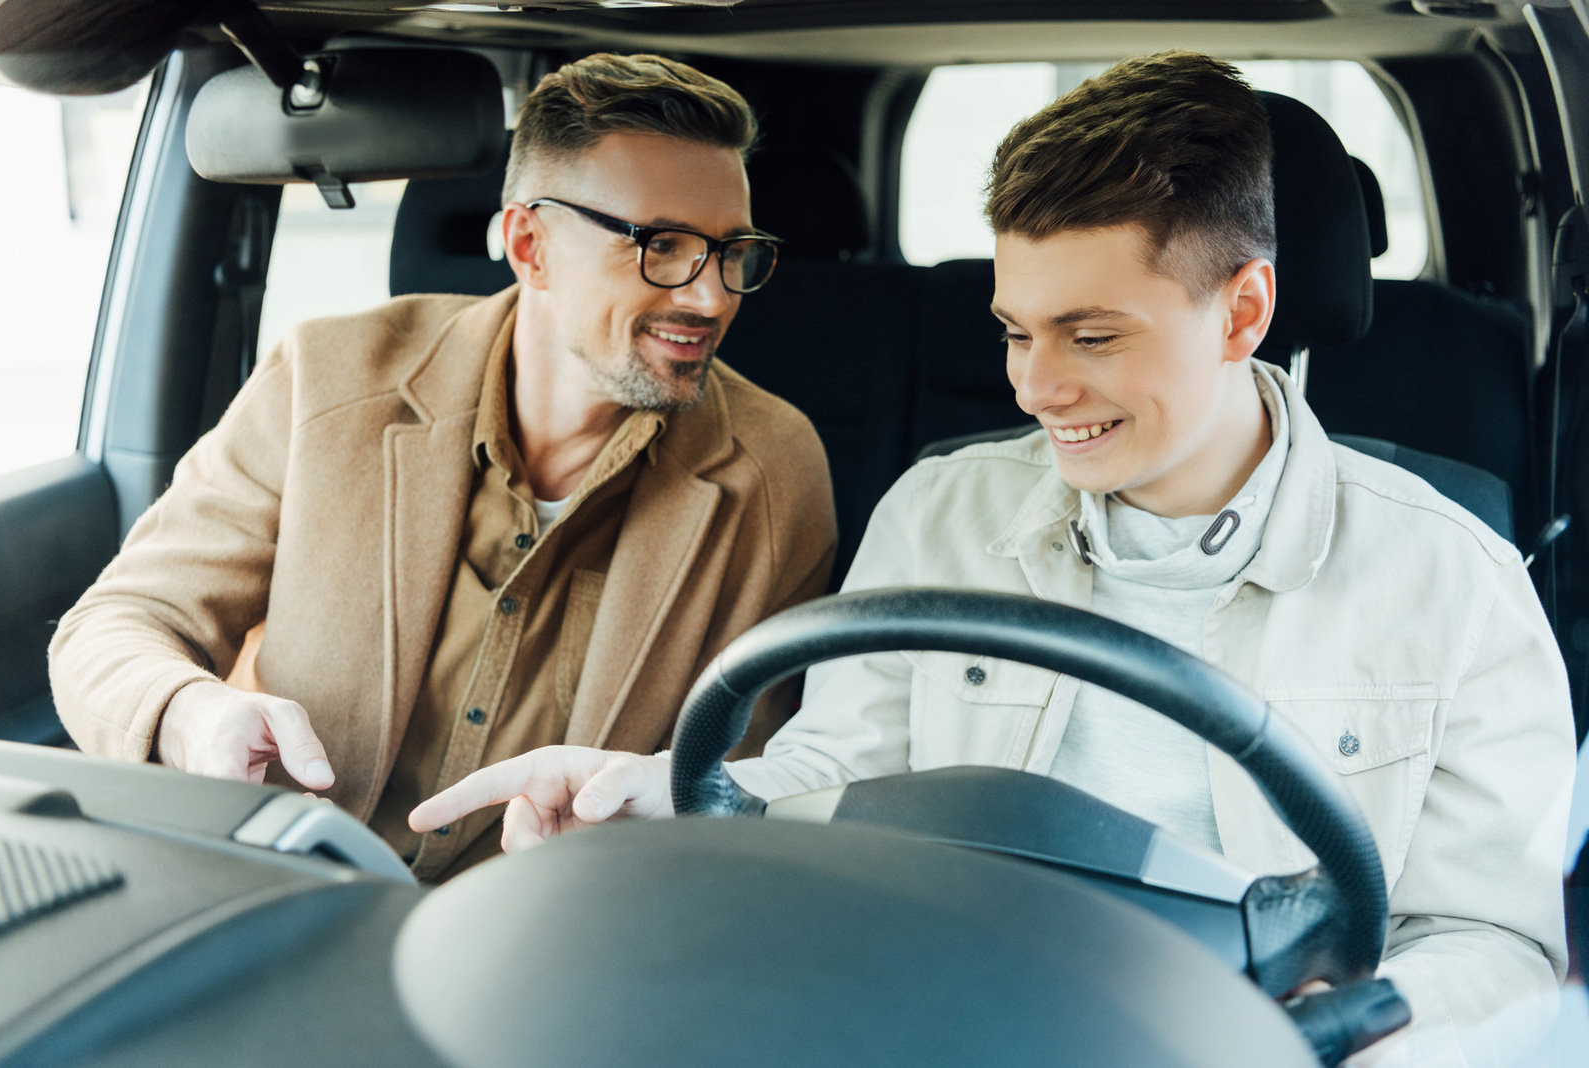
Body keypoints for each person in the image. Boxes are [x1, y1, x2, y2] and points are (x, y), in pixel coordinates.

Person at [410, 52, 1577, 1063]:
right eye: (1015, 330)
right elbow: (833, 778)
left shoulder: (1454, 583)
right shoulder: (941, 512)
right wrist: (662, 796)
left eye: (1092, 335)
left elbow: (1498, 946)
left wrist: (1352, 1030)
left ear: (1242, 310)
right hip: (936, 1022)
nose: (1035, 387)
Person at [47, 52, 837, 882]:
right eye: (663, 246)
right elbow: (114, 626)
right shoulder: (327, 379)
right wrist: (189, 713)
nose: (711, 297)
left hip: (562, 933)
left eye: (731, 252)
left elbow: (740, 790)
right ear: (530, 245)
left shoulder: (773, 473)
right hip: (290, 890)